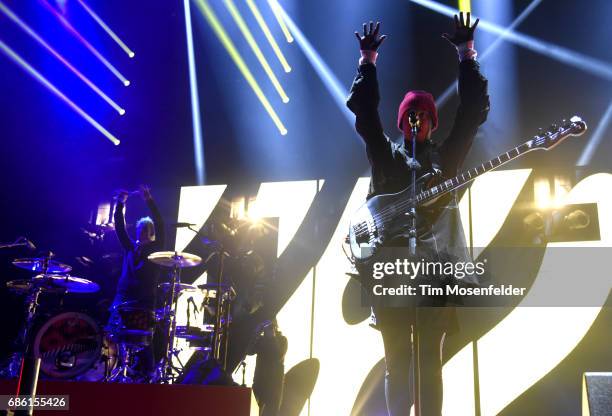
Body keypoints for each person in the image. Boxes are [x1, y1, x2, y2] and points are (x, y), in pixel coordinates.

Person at [347, 13, 489, 416]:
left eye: (424, 115)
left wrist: (466, 55)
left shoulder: (445, 160)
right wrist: (367, 62)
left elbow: (472, 113)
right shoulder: (387, 158)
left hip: (435, 272)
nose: (418, 120)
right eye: (411, 114)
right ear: (403, 121)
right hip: (390, 270)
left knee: (429, 360)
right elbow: (364, 114)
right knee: (396, 360)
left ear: (431, 123)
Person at [109, 185, 165, 377]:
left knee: (143, 341)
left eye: (145, 230)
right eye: (140, 229)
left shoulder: (157, 248)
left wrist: (148, 199)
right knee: (114, 334)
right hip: (123, 297)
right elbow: (119, 227)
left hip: (144, 301)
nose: (141, 232)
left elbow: (161, 223)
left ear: (151, 232)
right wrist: (120, 204)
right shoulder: (130, 247)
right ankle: (116, 370)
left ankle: (149, 373)